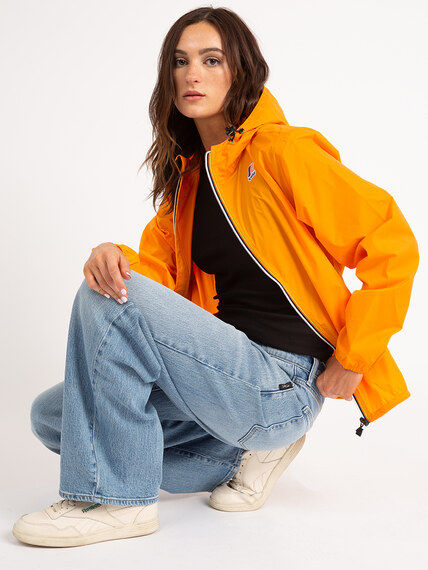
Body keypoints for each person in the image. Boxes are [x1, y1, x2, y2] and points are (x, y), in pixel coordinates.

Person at [12, 6, 419, 548]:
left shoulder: (282, 151)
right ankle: (239, 455)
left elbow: (392, 244)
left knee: (107, 303)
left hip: (283, 383)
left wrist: (353, 357)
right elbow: (155, 280)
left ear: (240, 71)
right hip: (222, 383)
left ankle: (117, 500)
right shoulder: (189, 182)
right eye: (180, 62)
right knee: (55, 416)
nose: (192, 74)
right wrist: (112, 255)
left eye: (211, 60)